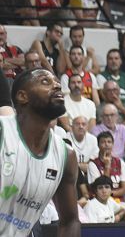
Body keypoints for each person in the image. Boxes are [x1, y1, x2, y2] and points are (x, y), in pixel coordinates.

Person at [0, 69, 81, 236]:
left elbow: (70, 221)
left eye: (58, 83)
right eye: (45, 82)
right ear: (23, 96)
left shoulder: (66, 155)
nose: (57, 86)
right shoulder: (3, 131)